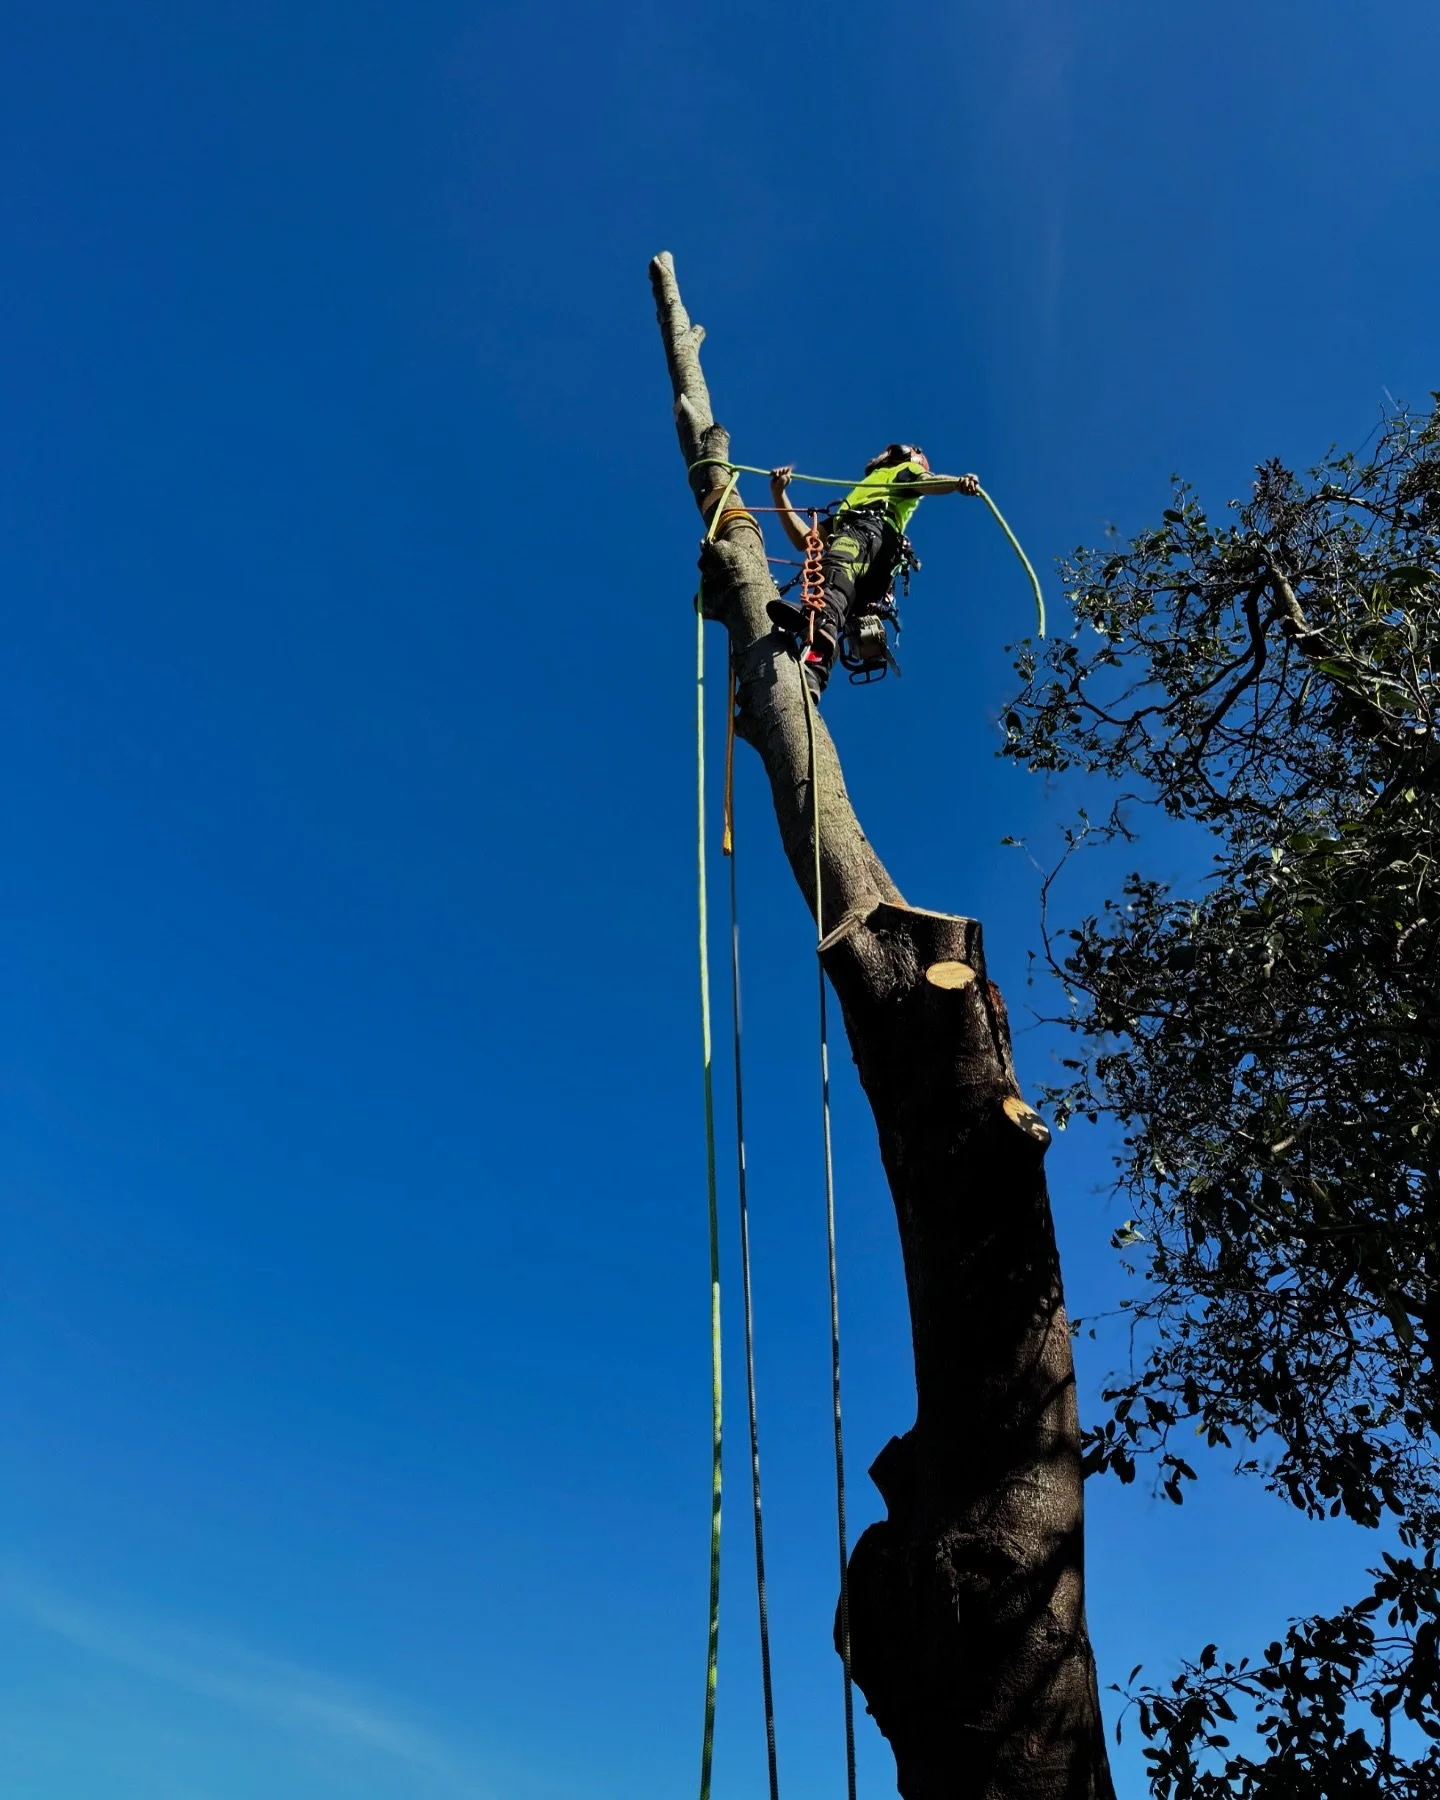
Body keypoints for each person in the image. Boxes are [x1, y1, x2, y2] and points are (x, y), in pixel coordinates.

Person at [766, 445, 980, 696]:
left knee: (835, 574)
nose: (882, 454)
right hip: (877, 562)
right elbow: (805, 539)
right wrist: (778, 493)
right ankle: (814, 672)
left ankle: (819, 621)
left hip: (868, 533)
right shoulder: (858, 497)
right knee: (839, 602)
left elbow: (927, 482)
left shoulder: (903, 470)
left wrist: (956, 483)